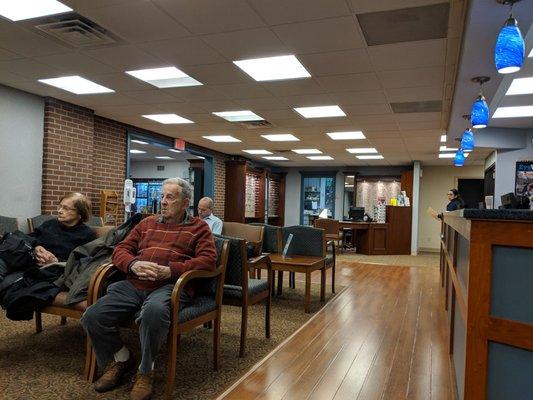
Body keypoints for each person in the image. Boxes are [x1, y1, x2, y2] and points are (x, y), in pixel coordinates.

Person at [81, 178, 217, 400]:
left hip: (170, 286)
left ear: (185, 203)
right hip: (134, 283)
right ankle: (121, 358)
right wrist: (133, 264)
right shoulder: (146, 223)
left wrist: (170, 270)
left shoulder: (199, 228)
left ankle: (146, 371)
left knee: (154, 312)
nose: (163, 202)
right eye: (162, 197)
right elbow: (121, 249)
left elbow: (208, 261)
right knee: (92, 316)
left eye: (170, 197)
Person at [32, 192, 96, 265]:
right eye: (60, 206)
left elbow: (88, 262)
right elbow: (30, 238)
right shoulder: (49, 224)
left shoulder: (87, 235)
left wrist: (57, 262)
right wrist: (37, 247)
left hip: (61, 272)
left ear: (80, 213)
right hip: (33, 265)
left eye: (66, 208)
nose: (59, 211)